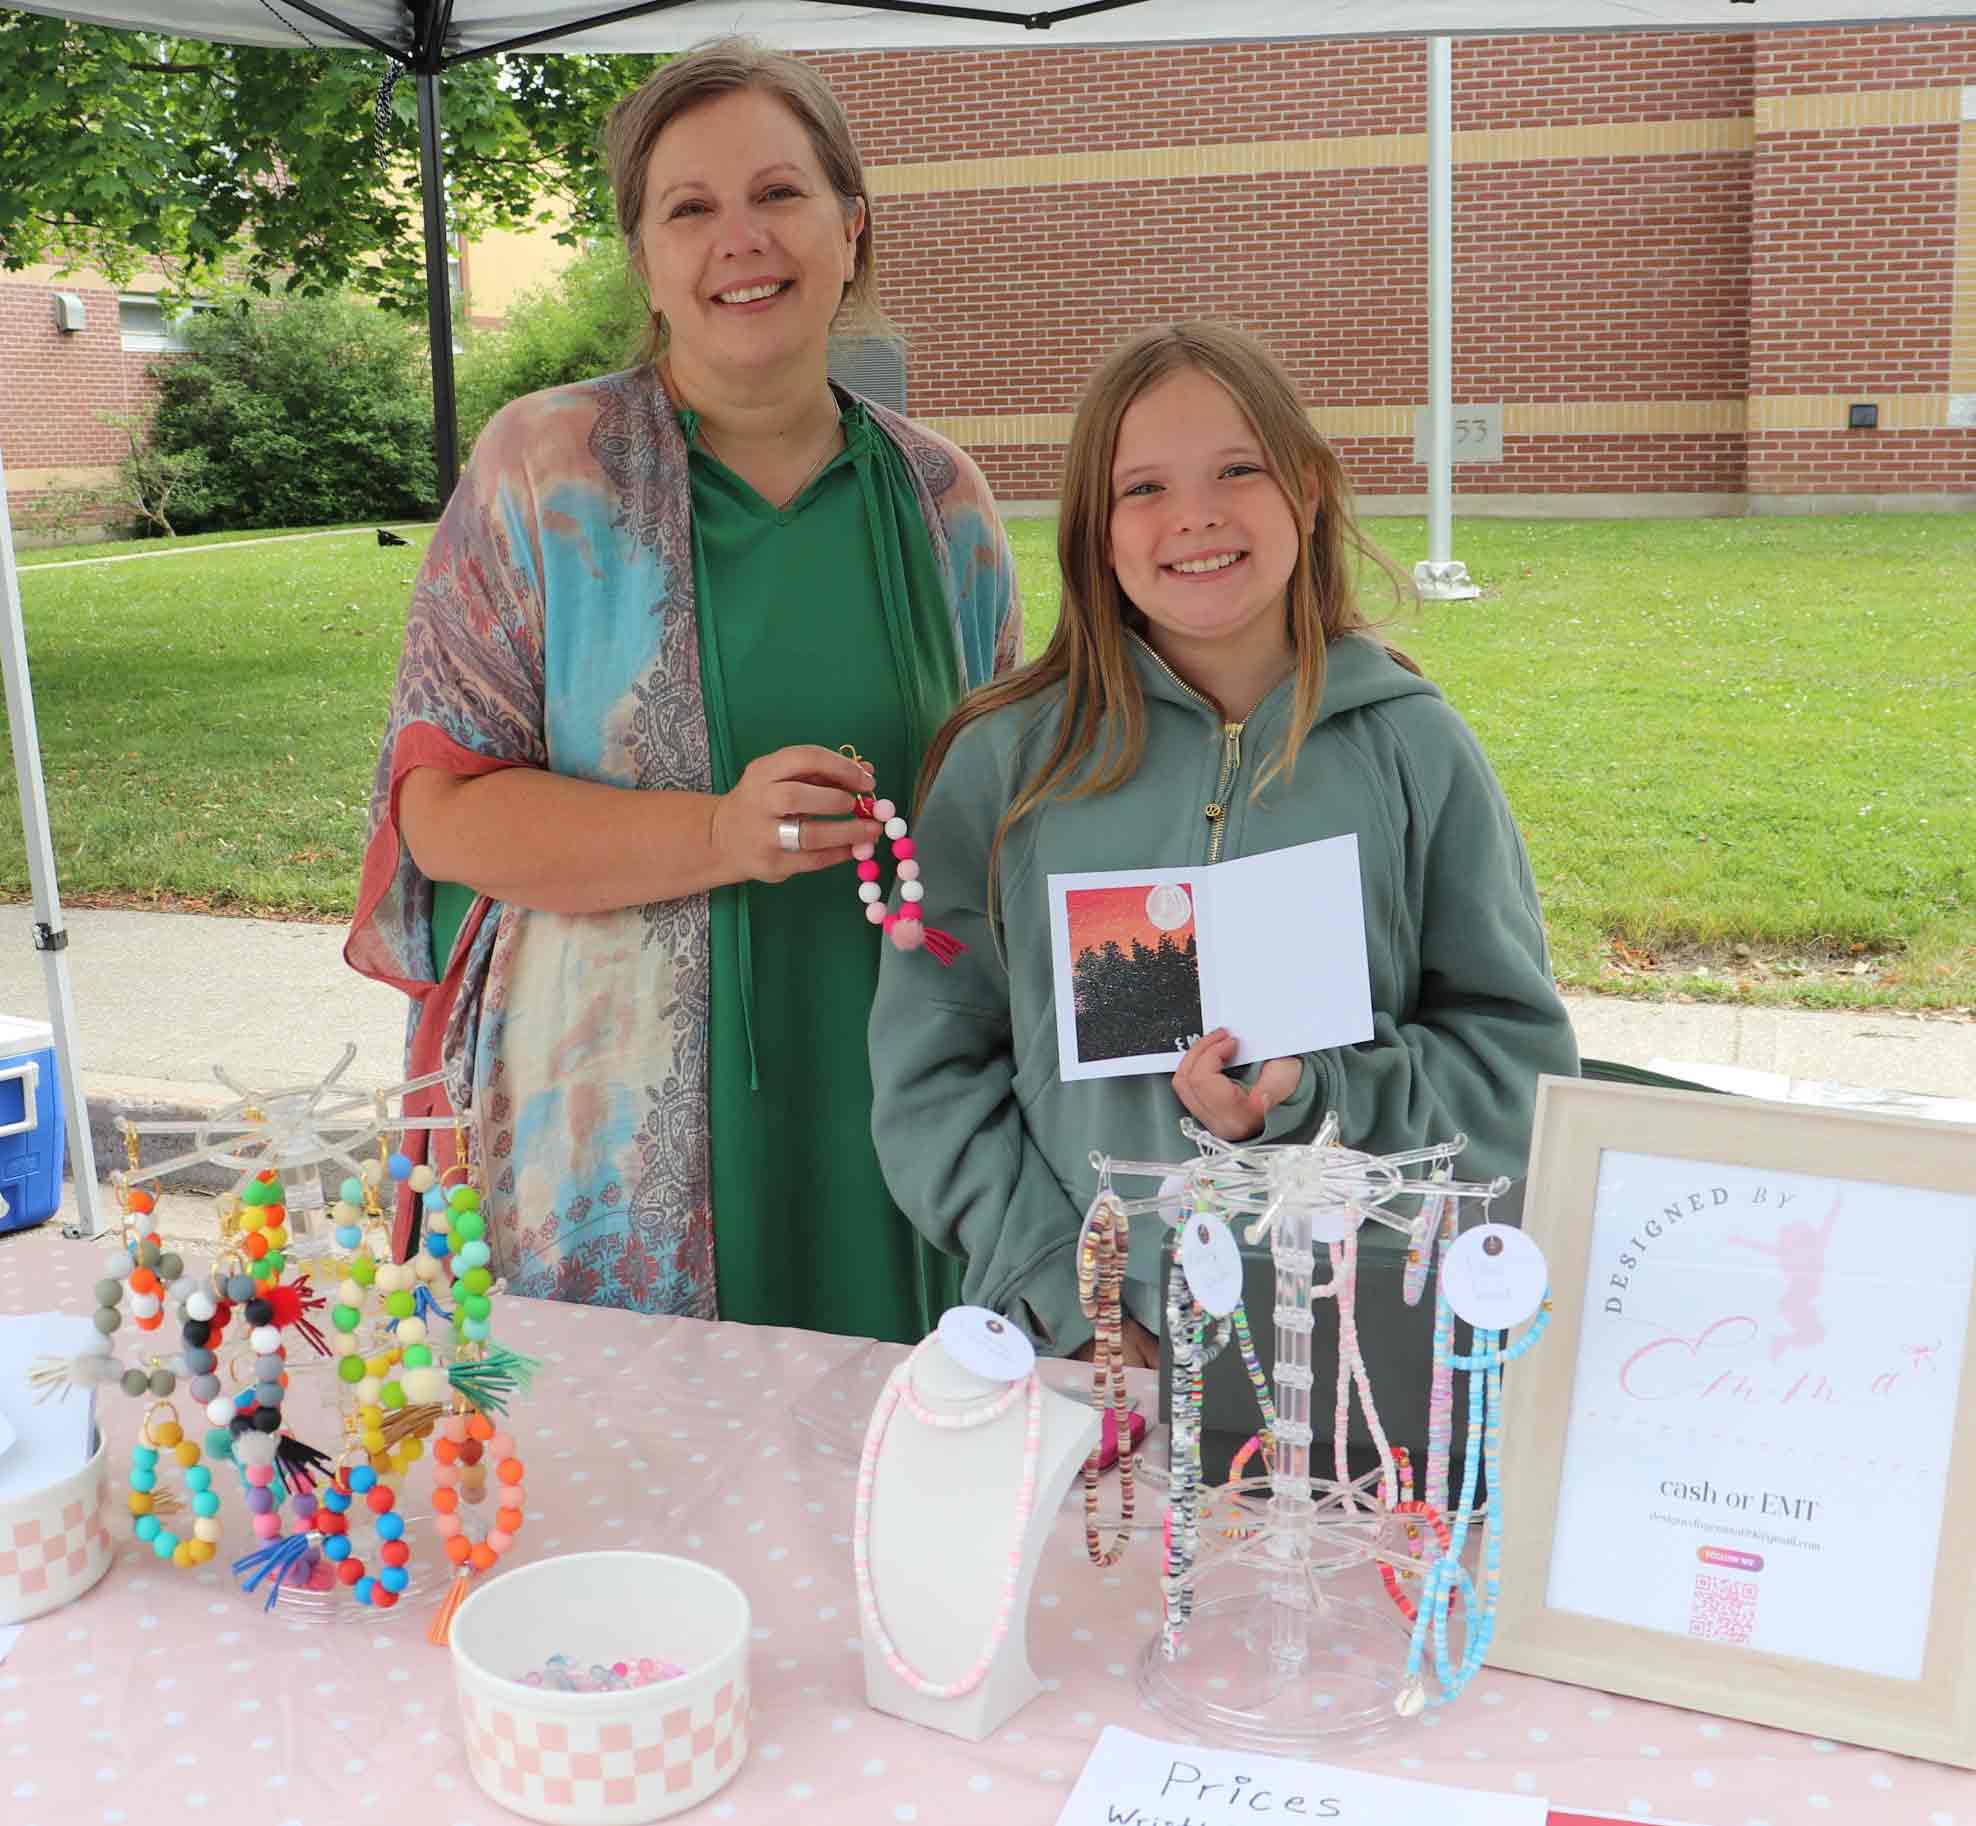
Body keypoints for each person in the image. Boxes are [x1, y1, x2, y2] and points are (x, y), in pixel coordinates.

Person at [346, 38, 1019, 1338]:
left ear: (849, 226)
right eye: (690, 209)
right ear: (647, 258)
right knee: (639, 1493)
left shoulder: (947, 507)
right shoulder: (545, 472)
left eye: (779, 194)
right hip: (602, 1129)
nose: (740, 240)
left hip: (891, 1105)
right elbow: (440, 812)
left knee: (867, 1486)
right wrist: (716, 832)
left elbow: (1006, 811)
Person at [869, 322, 1579, 1364]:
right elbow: (931, 1074)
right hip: (1084, 1355)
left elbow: (1513, 1064)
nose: (1194, 515)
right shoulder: (1006, 766)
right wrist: (1073, 1295)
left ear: (1303, 487)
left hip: (1350, 1352)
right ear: (1092, 533)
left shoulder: (1411, 747)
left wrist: (1319, 1099)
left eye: (1235, 469)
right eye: (1141, 488)